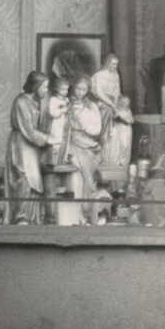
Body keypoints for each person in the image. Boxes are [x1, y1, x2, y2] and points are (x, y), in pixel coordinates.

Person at [4, 71, 51, 225]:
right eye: (44, 87)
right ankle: (21, 216)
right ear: (35, 86)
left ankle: (31, 217)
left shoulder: (35, 102)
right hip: (21, 144)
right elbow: (28, 130)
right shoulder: (21, 101)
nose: (45, 90)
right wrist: (47, 139)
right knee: (23, 178)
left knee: (34, 180)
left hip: (31, 146)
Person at [64, 74, 103, 225]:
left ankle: (87, 215)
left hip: (88, 146)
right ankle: (75, 215)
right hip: (71, 144)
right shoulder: (66, 104)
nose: (80, 92)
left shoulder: (91, 107)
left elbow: (97, 129)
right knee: (75, 180)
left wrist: (84, 126)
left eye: (84, 90)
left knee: (89, 182)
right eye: (78, 89)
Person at [91, 53, 123, 148]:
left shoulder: (116, 75)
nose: (114, 66)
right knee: (107, 110)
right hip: (101, 100)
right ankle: (102, 141)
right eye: (112, 64)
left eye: (116, 64)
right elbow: (99, 93)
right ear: (107, 63)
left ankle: (113, 145)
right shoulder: (99, 75)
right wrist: (112, 105)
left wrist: (116, 106)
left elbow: (117, 91)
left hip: (114, 102)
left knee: (122, 113)